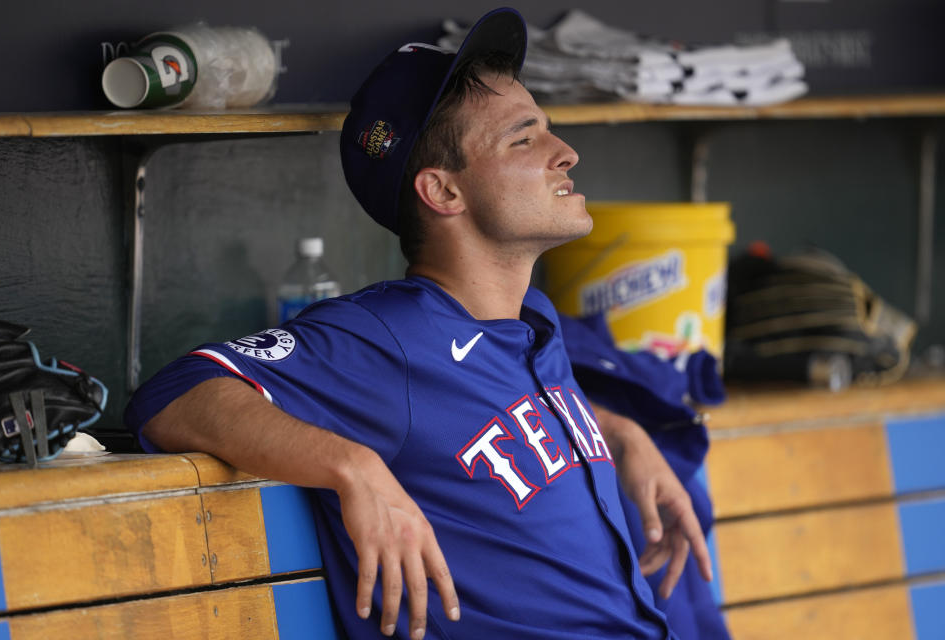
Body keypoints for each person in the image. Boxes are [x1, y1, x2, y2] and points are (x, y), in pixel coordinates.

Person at [125, 8, 713, 639]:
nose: (564, 153)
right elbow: (173, 393)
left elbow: (475, 410)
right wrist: (352, 467)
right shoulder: (388, 337)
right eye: (524, 139)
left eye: (546, 129)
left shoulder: (528, 317)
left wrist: (619, 432)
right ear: (444, 193)